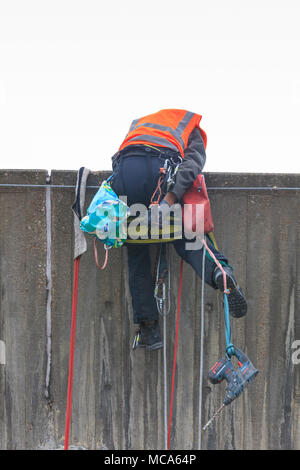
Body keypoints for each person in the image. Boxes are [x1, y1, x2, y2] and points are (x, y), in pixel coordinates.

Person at [110, 109, 247, 350]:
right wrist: (169, 200)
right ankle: (219, 273)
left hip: (125, 171)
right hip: (159, 171)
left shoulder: (140, 125)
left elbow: (116, 159)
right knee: (188, 237)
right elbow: (192, 165)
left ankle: (149, 329)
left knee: (136, 249)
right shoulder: (190, 126)